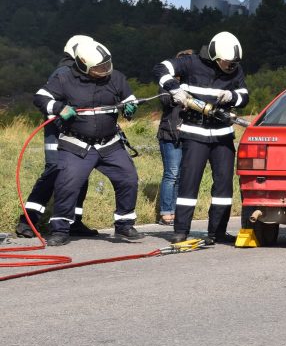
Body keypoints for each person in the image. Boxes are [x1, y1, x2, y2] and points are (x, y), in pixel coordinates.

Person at [33, 40, 143, 246]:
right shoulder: (64, 78)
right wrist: (58, 107)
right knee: (67, 185)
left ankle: (124, 224)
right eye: (99, 68)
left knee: (128, 178)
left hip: (109, 144)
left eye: (107, 65)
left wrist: (130, 106)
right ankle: (60, 229)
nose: (105, 70)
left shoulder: (115, 77)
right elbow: (40, 98)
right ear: (83, 65)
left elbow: (130, 97)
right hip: (76, 144)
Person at [153, 32, 249, 244]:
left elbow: (244, 95)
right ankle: (181, 231)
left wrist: (232, 96)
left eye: (234, 63)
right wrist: (174, 89)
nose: (230, 67)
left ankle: (218, 231)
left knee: (224, 186)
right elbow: (160, 68)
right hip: (195, 133)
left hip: (223, 135)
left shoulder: (235, 69)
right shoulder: (190, 63)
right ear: (215, 56)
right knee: (189, 183)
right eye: (227, 62)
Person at [18, 35, 97, 238]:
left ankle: (73, 221)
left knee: (81, 174)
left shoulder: (83, 73)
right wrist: (62, 113)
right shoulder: (64, 72)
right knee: (54, 172)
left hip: (78, 134)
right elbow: (45, 100)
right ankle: (28, 221)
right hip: (58, 132)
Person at [156, 49, 195, 226]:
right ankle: (166, 212)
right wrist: (178, 97)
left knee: (181, 176)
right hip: (169, 134)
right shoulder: (167, 83)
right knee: (171, 174)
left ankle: (176, 211)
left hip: (186, 134)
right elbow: (165, 101)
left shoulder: (193, 84)